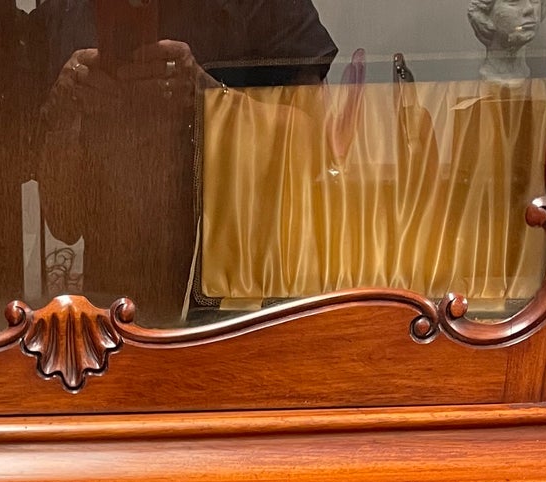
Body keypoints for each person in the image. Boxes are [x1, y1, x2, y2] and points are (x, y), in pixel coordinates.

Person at [32, 0, 337, 318]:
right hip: (117, 308)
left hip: (242, 291)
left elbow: (313, 146)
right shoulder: (66, 10)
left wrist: (205, 98)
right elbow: (63, 222)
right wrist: (65, 107)